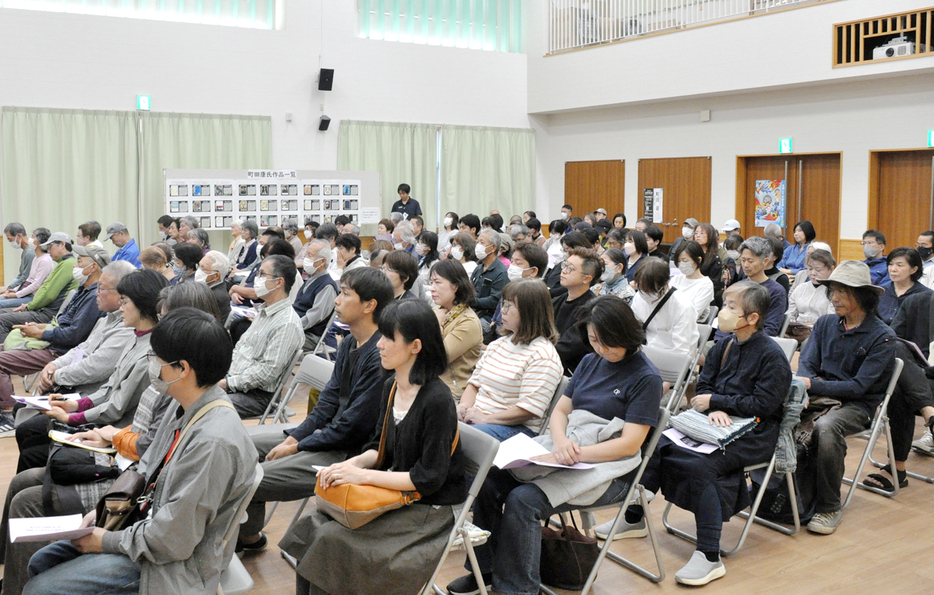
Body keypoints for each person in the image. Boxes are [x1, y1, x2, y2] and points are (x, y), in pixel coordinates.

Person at [0, 282, 220, 594]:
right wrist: (108, 506)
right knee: (35, 531)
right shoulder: (178, 393)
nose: (156, 340)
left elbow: (173, 529)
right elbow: (149, 462)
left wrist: (108, 533)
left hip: (149, 529)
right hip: (132, 489)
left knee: (30, 511)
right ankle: (14, 579)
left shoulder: (203, 424)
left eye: (166, 324)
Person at [447, 295, 663, 595]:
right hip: (570, 449)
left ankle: (519, 589)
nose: (600, 349)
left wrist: (575, 453)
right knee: (487, 481)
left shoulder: (646, 377)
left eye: (606, 342)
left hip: (610, 469)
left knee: (524, 500)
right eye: (593, 340)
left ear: (626, 333)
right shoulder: (590, 361)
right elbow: (561, 411)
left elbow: (629, 445)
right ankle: (486, 570)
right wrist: (561, 443)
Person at [605, 282, 791, 586]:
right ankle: (634, 516)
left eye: (732, 307)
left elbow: (764, 405)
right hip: (716, 422)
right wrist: (710, 405)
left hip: (755, 432)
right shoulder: (725, 344)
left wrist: (719, 403)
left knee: (701, 466)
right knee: (658, 441)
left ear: (753, 317)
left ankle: (709, 555)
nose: (725, 312)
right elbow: (705, 385)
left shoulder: (771, 355)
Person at [279, 299, 466, 595]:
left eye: (389, 338)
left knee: (332, 541)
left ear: (415, 346)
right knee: (313, 527)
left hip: (430, 508)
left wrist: (362, 476)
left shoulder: (438, 400)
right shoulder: (391, 385)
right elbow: (377, 448)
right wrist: (350, 465)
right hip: (399, 490)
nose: (380, 344)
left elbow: (428, 478)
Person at [235, 267, 394, 554]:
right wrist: (295, 437)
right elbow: (327, 403)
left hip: (348, 455)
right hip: (328, 437)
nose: (336, 300)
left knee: (250, 476)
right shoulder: (348, 343)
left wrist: (299, 446)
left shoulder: (379, 356)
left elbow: (352, 428)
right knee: (242, 445)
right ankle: (249, 536)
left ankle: (241, 539)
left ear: (370, 305)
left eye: (345, 294)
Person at [14, 268, 169, 473]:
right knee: (31, 439)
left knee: (34, 452)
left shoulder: (147, 352)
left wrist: (72, 417)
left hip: (115, 433)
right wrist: (73, 405)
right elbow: (108, 386)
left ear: (142, 304)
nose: (121, 308)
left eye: (124, 302)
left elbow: (115, 406)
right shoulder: (135, 336)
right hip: (104, 421)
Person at [796, 261, 896, 535]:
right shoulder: (826, 323)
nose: (835, 298)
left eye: (843, 292)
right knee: (774, 412)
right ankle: (769, 489)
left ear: (863, 296)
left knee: (826, 428)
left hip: (857, 406)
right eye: (833, 292)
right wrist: (805, 387)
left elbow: (858, 388)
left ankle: (829, 506)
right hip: (819, 396)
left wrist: (812, 384)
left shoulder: (883, 337)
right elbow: (807, 362)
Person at [0, 244, 109, 407]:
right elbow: (62, 322)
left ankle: (8, 408)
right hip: (52, 342)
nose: (75, 265)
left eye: (79, 261)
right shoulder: (83, 289)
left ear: (93, 267)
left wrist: (39, 333)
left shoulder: (94, 297)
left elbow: (73, 336)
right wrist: (39, 328)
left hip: (58, 352)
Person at [457, 278, 563, 439]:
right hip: (478, 417)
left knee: (456, 437)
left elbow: (528, 410)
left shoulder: (543, 356)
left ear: (529, 311)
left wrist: (486, 418)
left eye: (509, 306)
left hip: (515, 428)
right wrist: (464, 406)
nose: (502, 311)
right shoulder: (498, 344)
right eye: (503, 304)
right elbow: (474, 384)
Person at [31, 261, 137, 398]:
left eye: (102, 288)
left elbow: (95, 367)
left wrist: (55, 375)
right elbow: (82, 349)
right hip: (74, 387)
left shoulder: (128, 329)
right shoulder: (106, 319)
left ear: (122, 293)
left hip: (89, 397)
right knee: (23, 407)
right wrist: (54, 365)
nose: (97, 293)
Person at [221, 254, 303, 418]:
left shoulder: (287, 323)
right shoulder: (264, 312)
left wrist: (226, 384)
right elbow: (241, 348)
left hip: (257, 395)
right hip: (236, 380)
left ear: (279, 282)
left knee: (202, 407)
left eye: (262, 275)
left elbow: (267, 373)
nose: (257, 279)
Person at [0, 233, 78, 345]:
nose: (48, 250)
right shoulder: (62, 264)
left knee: (1, 320)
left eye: (50, 246)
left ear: (62, 245)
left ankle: (9, 353)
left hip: (46, 313)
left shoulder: (67, 265)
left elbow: (48, 295)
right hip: (41, 309)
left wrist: (29, 306)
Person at [429, 259, 482, 401]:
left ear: (455, 286)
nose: (432, 288)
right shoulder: (436, 311)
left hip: (450, 391)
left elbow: (437, 359)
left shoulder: (467, 321)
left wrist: (437, 325)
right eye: (431, 283)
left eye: (437, 282)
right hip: (428, 382)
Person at [631, 258, 699, 356]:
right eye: (641, 288)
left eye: (650, 290)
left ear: (665, 285)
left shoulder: (682, 307)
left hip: (671, 358)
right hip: (645, 351)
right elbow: (634, 328)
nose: (645, 294)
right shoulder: (639, 297)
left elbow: (681, 351)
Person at [553, 247, 602, 375]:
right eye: (565, 265)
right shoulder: (557, 300)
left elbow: (566, 348)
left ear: (587, 278)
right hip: (547, 361)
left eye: (570, 268)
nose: (563, 271)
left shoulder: (592, 309)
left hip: (570, 371)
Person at [727, 236, 787, 337]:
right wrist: (721, 342)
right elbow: (725, 318)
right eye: (743, 260)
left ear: (765, 261)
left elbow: (770, 329)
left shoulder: (776, 291)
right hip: (729, 341)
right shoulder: (737, 287)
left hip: (755, 343)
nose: (745, 265)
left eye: (750, 261)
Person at [294, 240, 339, 350]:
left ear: (322, 261)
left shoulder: (327, 286)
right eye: (306, 254)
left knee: (273, 337)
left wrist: (289, 327)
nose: (306, 258)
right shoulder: (310, 279)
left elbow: (313, 317)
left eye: (310, 255)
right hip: (297, 328)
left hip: (309, 335)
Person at [786, 249, 836, 342]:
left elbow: (831, 320)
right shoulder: (800, 288)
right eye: (810, 269)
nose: (813, 273)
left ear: (831, 269)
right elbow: (790, 314)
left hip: (820, 333)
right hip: (796, 331)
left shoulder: (834, 291)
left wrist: (806, 325)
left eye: (818, 269)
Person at [0, 228, 52, 310]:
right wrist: (14, 290)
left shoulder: (45, 260)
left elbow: (36, 284)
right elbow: (28, 280)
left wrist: (16, 295)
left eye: (33, 236)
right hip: (26, 294)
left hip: (33, 297)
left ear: (40, 241)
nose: (30, 239)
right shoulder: (36, 258)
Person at [877, 247, 930, 325]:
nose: (893, 269)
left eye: (900, 265)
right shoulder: (880, 292)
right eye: (890, 264)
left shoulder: (925, 296)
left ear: (913, 269)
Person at [470, 229, 508, 332]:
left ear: (493, 247)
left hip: (488, 318)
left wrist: (472, 301)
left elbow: (495, 300)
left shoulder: (501, 272)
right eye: (477, 242)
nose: (478, 246)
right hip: (473, 311)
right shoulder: (479, 268)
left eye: (482, 242)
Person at [671, 240, 715, 322]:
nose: (681, 265)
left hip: (689, 326)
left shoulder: (706, 284)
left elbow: (694, 313)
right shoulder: (676, 279)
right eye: (679, 261)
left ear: (698, 260)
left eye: (685, 261)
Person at [196, 250, 232, 322]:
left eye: (203, 268)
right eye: (199, 266)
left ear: (216, 276)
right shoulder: (209, 289)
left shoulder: (214, 297)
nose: (198, 271)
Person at [694, 223, 725, 303]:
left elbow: (715, 284)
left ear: (710, 236)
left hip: (705, 297)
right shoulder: (692, 255)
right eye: (696, 233)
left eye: (702, 233)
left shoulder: (714, 259)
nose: (698, 235)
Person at [4, 223, 36, 291]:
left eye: (10, 240)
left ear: (18, 236)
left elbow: (25, 277)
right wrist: (11, 286)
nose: (10, 242)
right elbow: (21, 275)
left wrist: (9, 288)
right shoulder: (25, 251)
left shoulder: (30, 253)